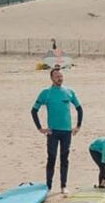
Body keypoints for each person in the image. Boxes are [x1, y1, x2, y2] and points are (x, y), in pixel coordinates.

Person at [31, 66, 83, 195]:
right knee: (52, 158)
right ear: (52, 78)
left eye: (61, 76)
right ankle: (48, 186)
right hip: (52, 132)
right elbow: (34, 110)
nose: (60, 78)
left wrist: (78, 126)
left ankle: (63, 186)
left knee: (64, 158)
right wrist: (40, 128)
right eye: (57, 77)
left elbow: (79, 109)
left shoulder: (69, 92)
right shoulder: (46, 93)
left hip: (67, 132)